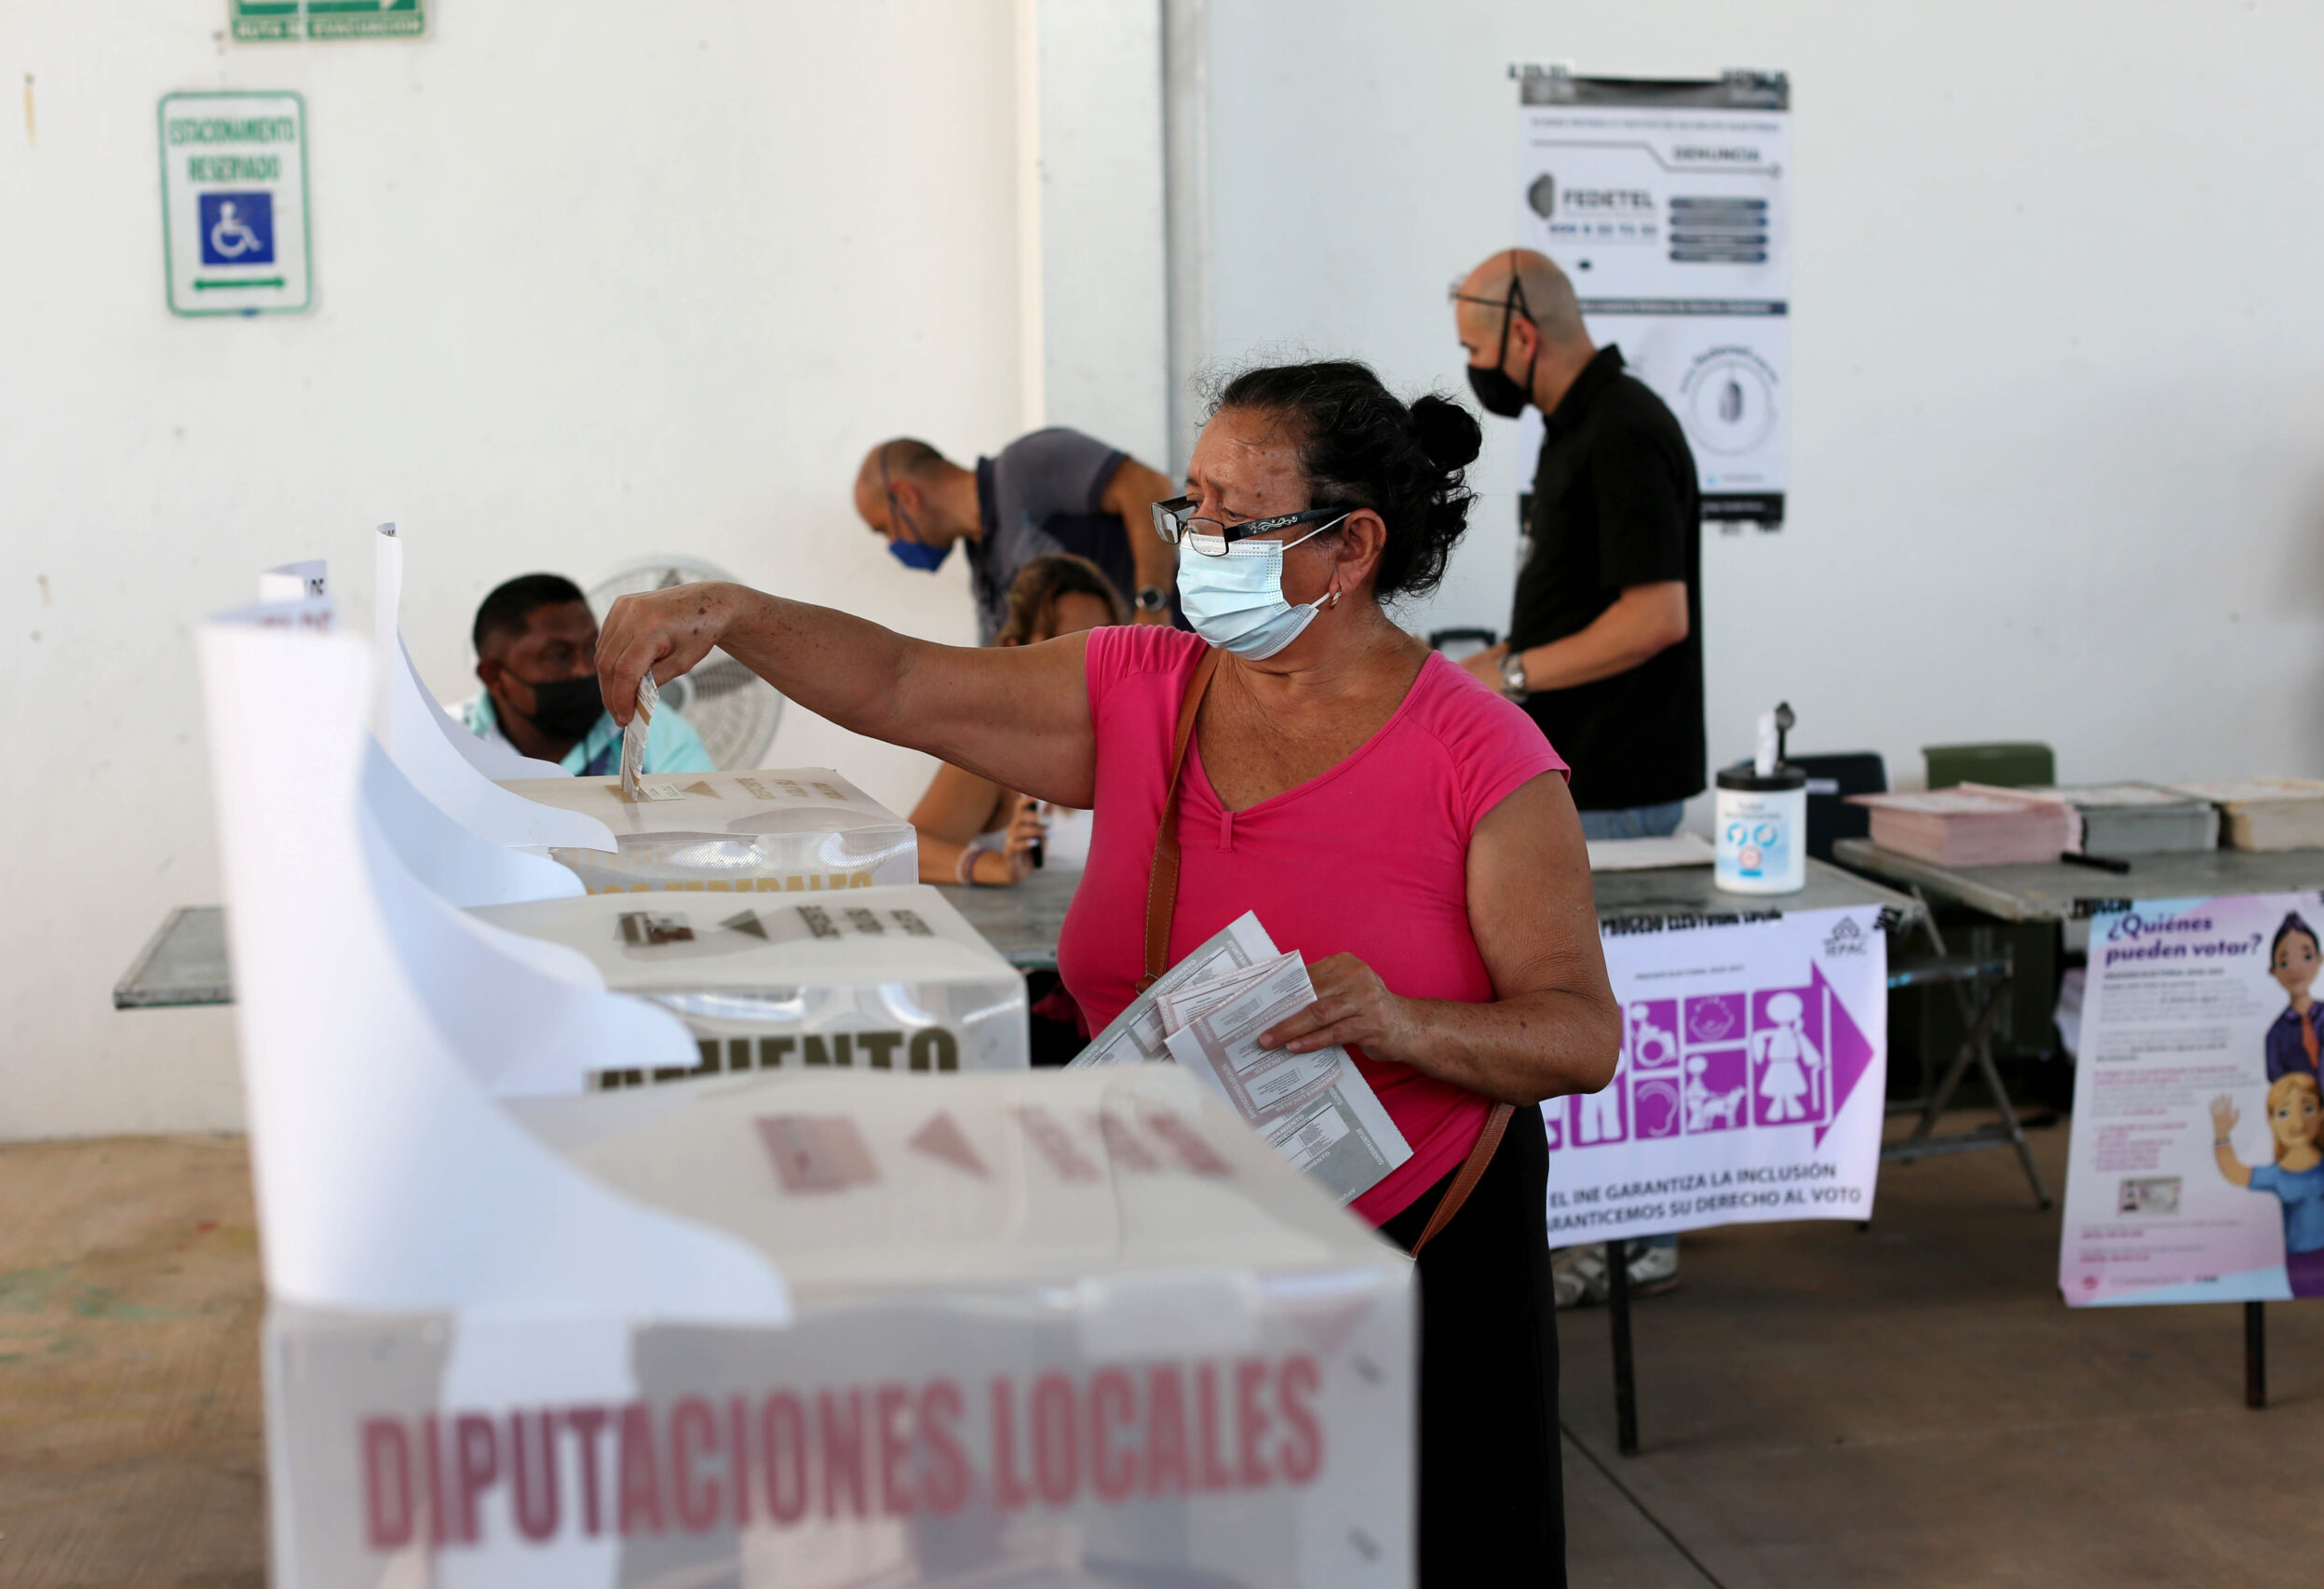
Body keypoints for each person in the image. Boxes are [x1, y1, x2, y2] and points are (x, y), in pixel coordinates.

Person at [600, 359, 1622, 1588]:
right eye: (1194, 505)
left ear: (1352, 546)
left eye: (1239, 516)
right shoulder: (1143, 690)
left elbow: (1577, 1034)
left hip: (1408, 1263)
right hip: (1174, 1254)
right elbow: (905, 682)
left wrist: (1405, 1021)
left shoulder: (1482, 756)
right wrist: (735, 613)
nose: (1200, 541)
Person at [1452, 247, 1704, 1303]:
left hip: (1620, 783)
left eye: (1472, 348)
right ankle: (1599, 1227)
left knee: (1602, 1023)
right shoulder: (1572, 431)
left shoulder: (1624, 429)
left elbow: (1656, 615)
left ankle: (1630, 1234)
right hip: (1576, 776)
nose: (1469, 368)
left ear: (1521, 333)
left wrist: (1504, 672)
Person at [910, 555, 1126, 888]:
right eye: (1067, 644)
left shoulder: (1141, 742)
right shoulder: (990, 749)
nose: (1089, 663)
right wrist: (995, 866)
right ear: (1017, 650)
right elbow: (908, 852)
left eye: (1105, 645)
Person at [855, 429, 1180, 642]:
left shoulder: (1023, 467)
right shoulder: (983, 568)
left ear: (907, 497)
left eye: (884, 529)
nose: (892, 545)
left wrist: (1152, 607)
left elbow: (1148, 487)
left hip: (1186, 662)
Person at [459, 573, 715, 776]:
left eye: (592, 647)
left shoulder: (651, 731)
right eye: (558, 655)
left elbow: (711, 834)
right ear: (494, 677)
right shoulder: (446, 745)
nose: (584, 668)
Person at [2209, 1079, 2324, 1299]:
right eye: (2284, 1113)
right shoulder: (2277, 1175)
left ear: (2323, 1113)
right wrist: (2222, 1137)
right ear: (2271, 1121)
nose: (2297, 1123)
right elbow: (2234, 1171)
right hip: (2298, 1258)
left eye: (2307, 1108)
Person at [2263, 911, 2324, 1150]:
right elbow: (2280, 1089)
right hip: (2309, 1129)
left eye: (2306, 956)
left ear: (2320, 958)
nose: (2296, 968)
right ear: (2273, 970)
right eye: (2285, 962)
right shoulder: (2275, 1035)